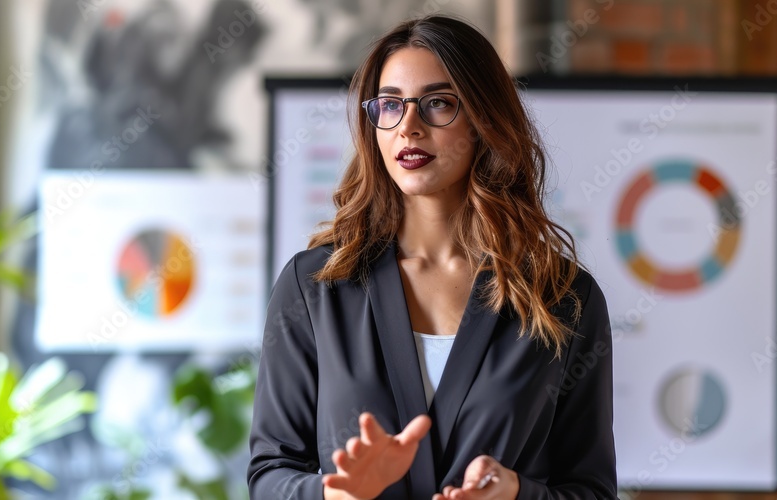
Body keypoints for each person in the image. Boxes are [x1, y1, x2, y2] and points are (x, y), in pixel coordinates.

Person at [248, 15, 616, 500]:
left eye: (438, 103)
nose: (409, 127)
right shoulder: (313, 286)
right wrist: (337, 494)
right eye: (390, 105)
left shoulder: (563, 296)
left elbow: (590, 490)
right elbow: (269, 474)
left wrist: (515, 493)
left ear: (484, 121)